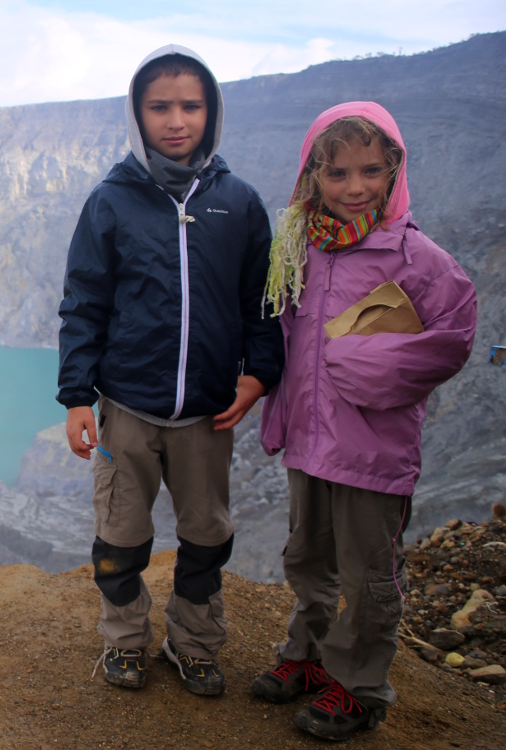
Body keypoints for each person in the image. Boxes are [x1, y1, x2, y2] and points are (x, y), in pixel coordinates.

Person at [57, 45, 283, 696]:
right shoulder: (111, 201)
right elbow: (84, 301)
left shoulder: (236, 202)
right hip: (127, 409)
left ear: (210, 113)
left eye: (190, 105)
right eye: (159, 107)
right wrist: (77, 396)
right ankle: (125, 642)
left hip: (208, 412)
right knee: (121, 540)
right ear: (137, 113)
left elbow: (261, 302)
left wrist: (258, 374)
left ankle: (194, 645)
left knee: (206, 539)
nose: (175, 119)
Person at [253, 102, 477, 741]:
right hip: (310, 442)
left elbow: (455, 334)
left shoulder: (416, 257)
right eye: (338, 174)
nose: (355, 188)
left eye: (372, 171)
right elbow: (285, 333)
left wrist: (375, 365)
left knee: (369, 572)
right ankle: (309, 653)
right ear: (312, 177)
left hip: (373, 448)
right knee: (308, 556)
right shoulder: (302, 247)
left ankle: (359, 688)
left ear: (395, 171)